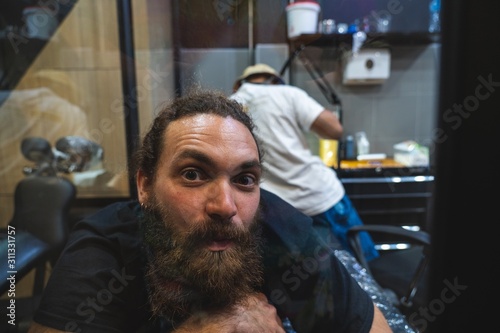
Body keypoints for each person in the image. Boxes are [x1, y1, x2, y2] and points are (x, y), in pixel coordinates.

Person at [28, 89, 392, 332]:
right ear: (144, 186)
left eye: (245, 179)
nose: (225, 206)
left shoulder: (281, 229)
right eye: (192, 174)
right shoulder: (104, 249)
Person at [231, 63, 378, 262]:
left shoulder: (232, 108)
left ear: (239, 85)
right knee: (357, 265)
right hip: (321, 196)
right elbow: (334, 130)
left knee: (307, 278)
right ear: (274, 80)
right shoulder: (288, 94)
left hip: (279, 212)